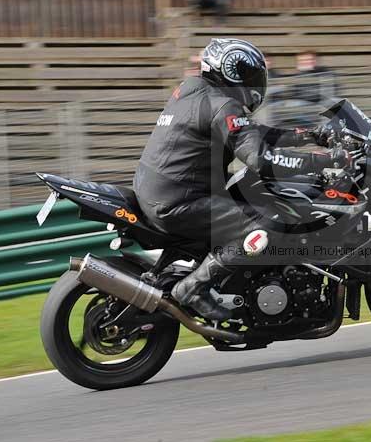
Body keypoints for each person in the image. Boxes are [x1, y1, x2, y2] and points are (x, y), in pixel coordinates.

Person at [133, 38, 342, 321]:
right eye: (252, 78)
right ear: (234, 74)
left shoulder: (193, 90)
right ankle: (193, 288)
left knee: (250, 191)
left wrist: (310, 135)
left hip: (164, 189)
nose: (255, 86)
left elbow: (250, 132)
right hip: (179, 200)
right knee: (269, 223)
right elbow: (261, 159)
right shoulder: (223, 105)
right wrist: (323, 160)